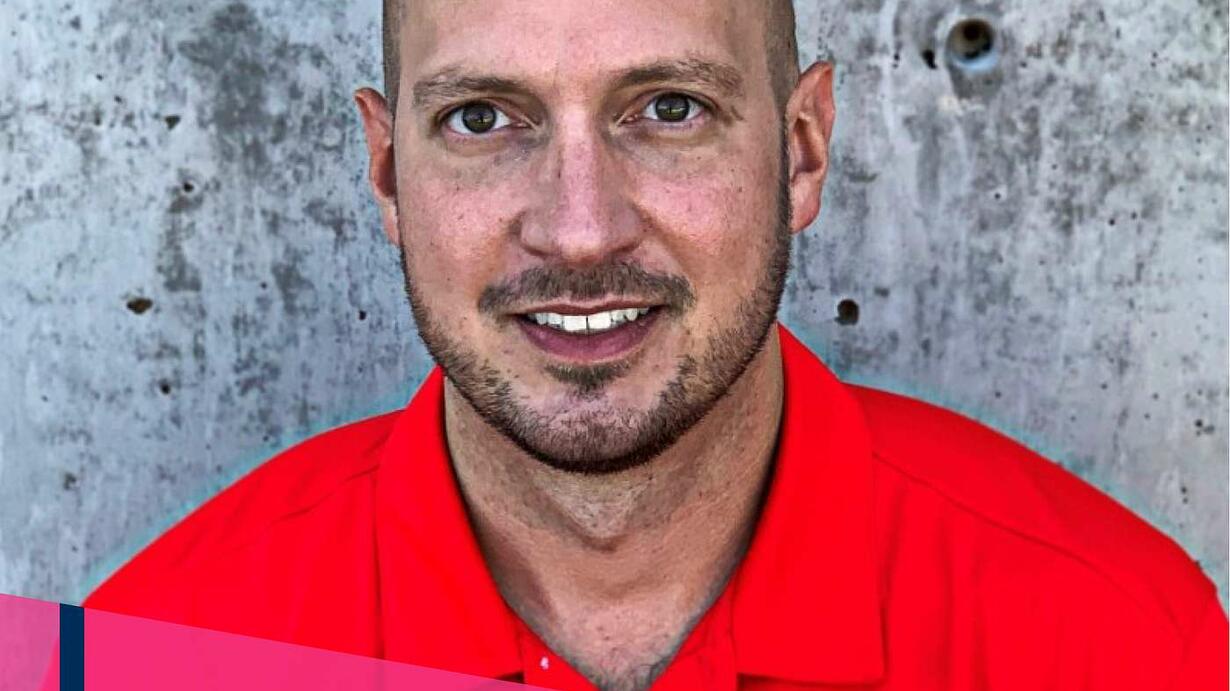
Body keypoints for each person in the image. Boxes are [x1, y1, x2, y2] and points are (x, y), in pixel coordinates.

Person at [84, 1, 1228, 689]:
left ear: (802, 148)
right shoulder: (158, 651)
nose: (580, 229)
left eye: (669, 108)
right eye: (482, 119)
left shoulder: (1116, 641)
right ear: (387, 171)